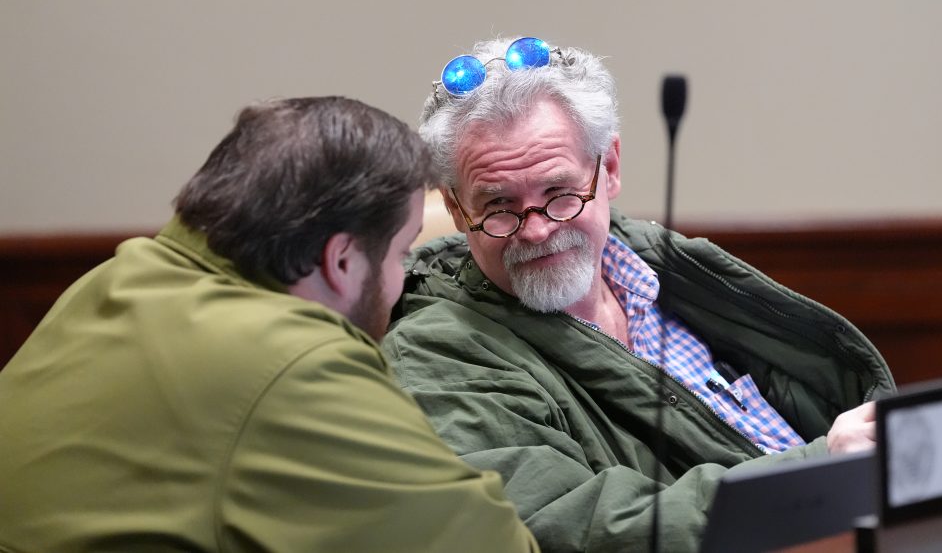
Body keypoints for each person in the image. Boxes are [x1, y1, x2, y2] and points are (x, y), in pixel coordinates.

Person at [383, 38, 896, 552]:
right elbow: (576, 530)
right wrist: (821, 470)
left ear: (609, 170)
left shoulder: (667, 269)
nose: (536, 231)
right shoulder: (437, 353)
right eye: (499, 207)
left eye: (559, 194)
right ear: (454, 207)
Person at [0, 96, 538, 553]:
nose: (402, 280)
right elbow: (489, 541)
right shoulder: (295, 367)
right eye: (402, 254)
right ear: (343, 260)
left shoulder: (118, 277)